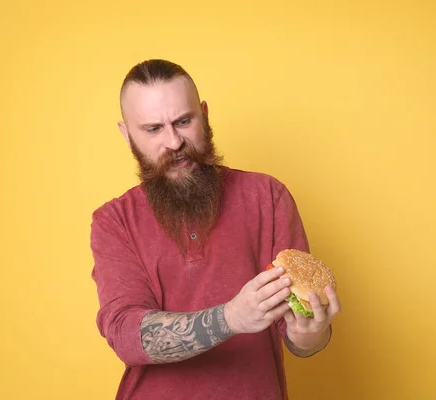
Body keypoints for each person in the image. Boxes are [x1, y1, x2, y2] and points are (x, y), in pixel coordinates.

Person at [90, 59, 341, 400]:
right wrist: (230, 318)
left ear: (204, 114)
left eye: (183, 121)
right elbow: (126, 335)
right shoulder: (113, 220)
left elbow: (302, 339)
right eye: (153, 129)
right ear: (127, 134)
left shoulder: (267, 196)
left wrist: (312, 332)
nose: (174, 142)